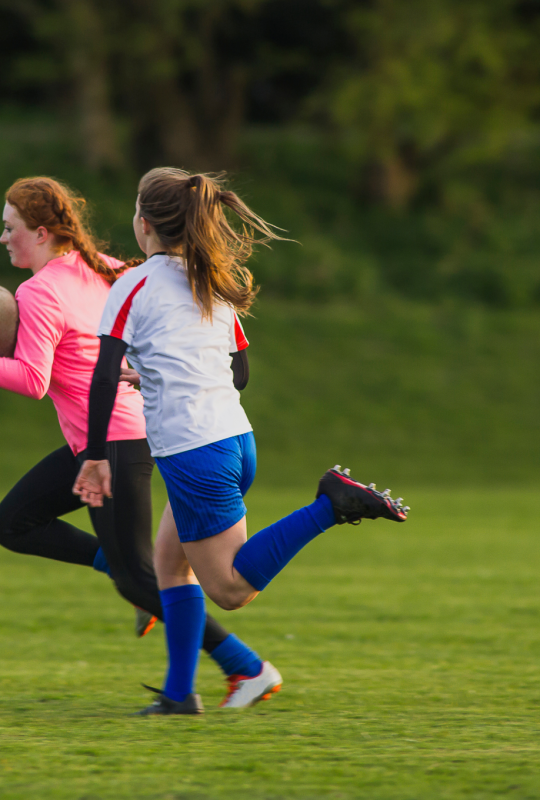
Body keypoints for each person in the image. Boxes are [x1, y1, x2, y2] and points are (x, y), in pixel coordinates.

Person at [74, 167, 409, 715]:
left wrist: (94, 456)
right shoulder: (209, 280)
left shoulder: (133, 285)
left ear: (145, 224)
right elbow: (240, 373)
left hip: (193, 453)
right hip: (233, 440)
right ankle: (179, 696)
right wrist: (158, 373)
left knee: (230, 590)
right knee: (170, 566)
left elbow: (104, 375)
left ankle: (331, 505)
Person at [0, 176, 283, 708]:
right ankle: (127, 571)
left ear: (41, 232)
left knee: (144, 577)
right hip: (125, 435)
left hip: (112, 444)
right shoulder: (106, 266)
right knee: (14, 523)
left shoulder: (39, 290)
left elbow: (32, 379)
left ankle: (246, 667)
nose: (3, 238)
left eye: (10, 228)